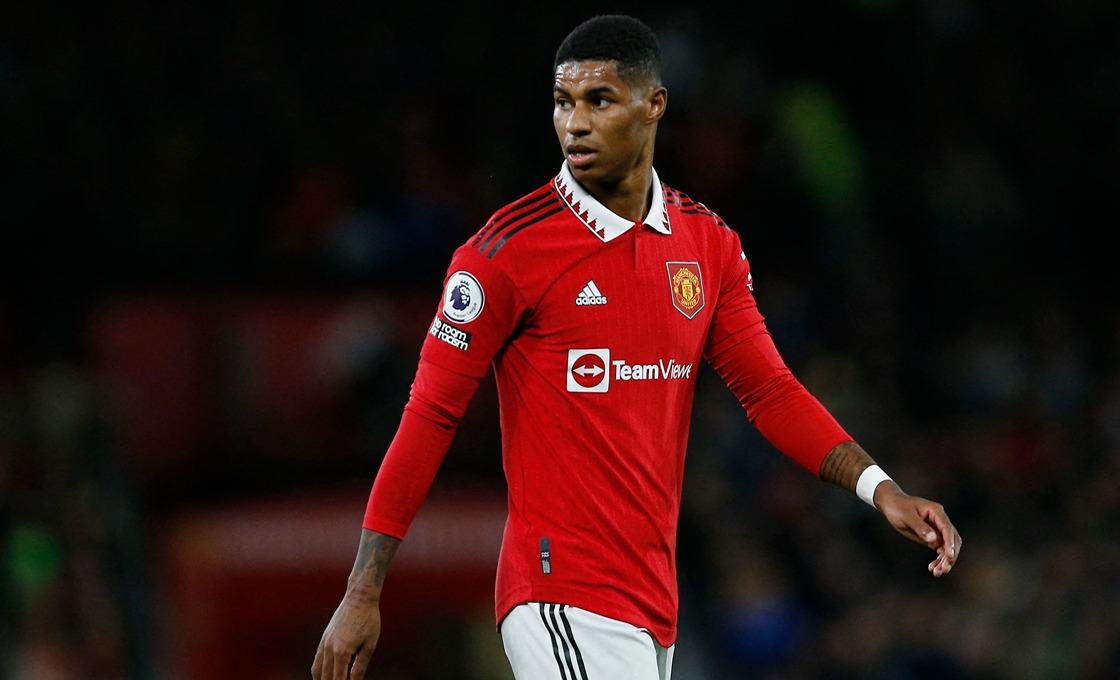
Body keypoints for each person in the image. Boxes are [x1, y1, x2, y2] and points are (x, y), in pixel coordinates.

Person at [312, 14, 962, 680]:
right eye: (563, 102)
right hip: (558, 595)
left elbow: (769, 390)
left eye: (599, 100)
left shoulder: (707, 245)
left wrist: (880, 489)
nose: (575, 123)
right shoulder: (503, 253)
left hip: (652, 605)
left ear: (654, 105)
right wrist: (362, 590)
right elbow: (429, 416)